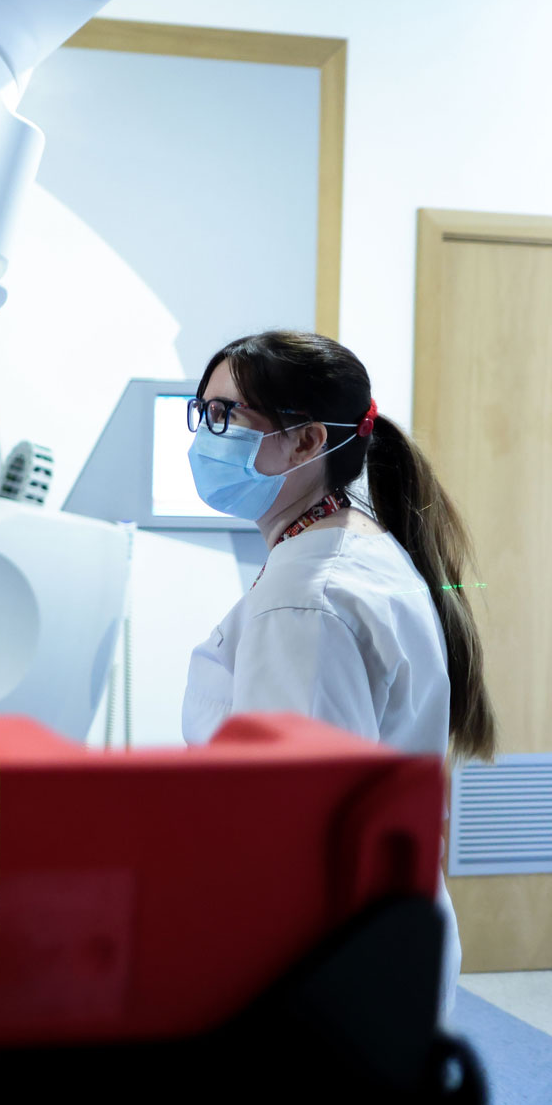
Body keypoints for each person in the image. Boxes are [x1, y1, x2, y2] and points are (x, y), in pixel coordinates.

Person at [180, 329, 496, 1024]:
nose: (208, 434)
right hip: (380, 935)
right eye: (204, 412)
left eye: (230, 415)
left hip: (333, 967)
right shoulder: (351, 538)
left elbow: (295, 828)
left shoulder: (305, 596)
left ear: (306, 441)